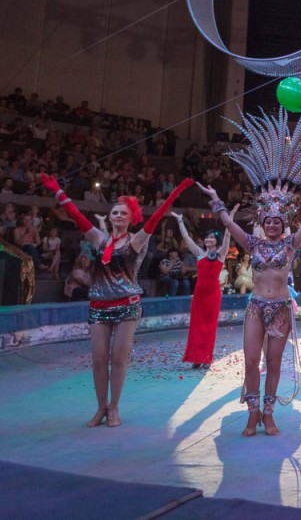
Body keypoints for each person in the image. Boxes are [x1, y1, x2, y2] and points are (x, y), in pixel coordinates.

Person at [197, 105, 301, 437]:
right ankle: (252, 413)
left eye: (277, 221)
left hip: (281, 310)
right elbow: (228, 223)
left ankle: (269, 413)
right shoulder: (252, 244)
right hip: (256, 308)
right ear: (262, 221)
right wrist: (216, 199)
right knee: (250, 362)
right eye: (268, 220)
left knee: (273, 363)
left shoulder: (290, 244)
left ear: (283, 222)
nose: (272, 224)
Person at [40, 172, 192, 427]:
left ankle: (114, 408)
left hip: (127, 305)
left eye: (123, 213)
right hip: (99, 305)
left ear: (131, 218)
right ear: (109, 217)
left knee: (119, 358)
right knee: (99, 359)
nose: (118, 215)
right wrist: (58, 191)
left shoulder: (137, 240)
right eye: (115, 212)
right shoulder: (99, 239)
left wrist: (174, 194)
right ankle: (101, 407)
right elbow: (76, 215)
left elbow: (156, 218)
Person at [174, 212, 234, 368]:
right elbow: (187, 238)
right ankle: (196, 358)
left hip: (213, 295)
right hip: (199, 296)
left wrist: (230, 219)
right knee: (196, 327)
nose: (208, 239)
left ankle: (206, 357)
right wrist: (180, 221)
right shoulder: (200, 254)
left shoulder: (220, 254)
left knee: (209, 327)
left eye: (212, 238)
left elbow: (227, 237)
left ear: (217, 241)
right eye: (207, 237)